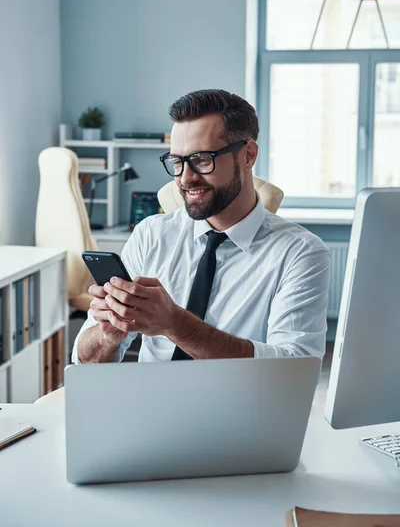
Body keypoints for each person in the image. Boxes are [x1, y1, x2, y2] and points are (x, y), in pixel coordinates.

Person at [72, 89, 330, 364]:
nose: (185, 178)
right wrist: (109, 335)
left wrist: (175, 323)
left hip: (238, 406)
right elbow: (84, 361)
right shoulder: (151, 235)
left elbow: (294, 369)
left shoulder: (300, 253)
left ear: (248, 155)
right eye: (177, 162)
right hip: (151, 402)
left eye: (202, 160)